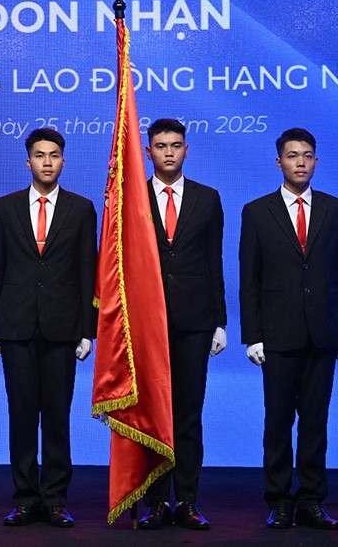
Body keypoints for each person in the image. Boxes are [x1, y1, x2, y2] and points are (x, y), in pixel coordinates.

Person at [0, 128, 97, 529]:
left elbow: (88, 272)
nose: (47, 162)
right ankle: (25, 498)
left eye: (54, 155)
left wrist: (88, 331)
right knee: (22, 415)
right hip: (15, 327)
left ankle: (55, 499)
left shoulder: (81, 208)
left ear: (63, 161)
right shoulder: (5, 207)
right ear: (27, 161)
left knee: (58, 417)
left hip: (63, 329)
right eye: (39, 155)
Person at [240, 127, 338, 531]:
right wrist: (252, 335)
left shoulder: (334, 208)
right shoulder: (257, 211)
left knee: (315, 422)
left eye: (307, 155)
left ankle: (311, 500)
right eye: (292, 155)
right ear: (279, 163)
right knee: (278, 422)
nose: (300, 162)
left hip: (323, 332)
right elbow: (249, 278)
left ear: (316, 161)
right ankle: (279, 501)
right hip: (277, 334)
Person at [136, 119, 226, 531]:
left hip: (195, 322)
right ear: (148, 151)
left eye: (175, 145)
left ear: (186, 150)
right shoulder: (133, 199)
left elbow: (214, 263)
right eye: (161, 145)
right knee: (153, 416)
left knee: (189, 414)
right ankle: (156, 502)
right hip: (147, 323)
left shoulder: (208, 198)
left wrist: (220, 322)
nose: (169, 152)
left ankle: (187, 500)